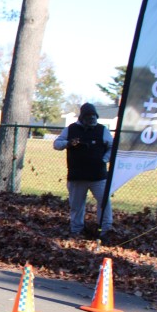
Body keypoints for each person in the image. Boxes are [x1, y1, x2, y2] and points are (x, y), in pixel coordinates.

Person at [53, 102, 113, 240]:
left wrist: (104, 159)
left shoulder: (102, 130)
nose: (92, 120)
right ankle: (76, 231)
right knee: (76, 205)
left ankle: (105, 230)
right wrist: (68, 143)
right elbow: (56, 144)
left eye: (94, 117)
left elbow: (112, 147)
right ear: (82, 117)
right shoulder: (71, 129)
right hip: (76, 176)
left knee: (104, 203)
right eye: (88, 117)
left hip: (98, 177)